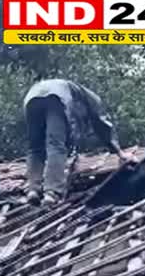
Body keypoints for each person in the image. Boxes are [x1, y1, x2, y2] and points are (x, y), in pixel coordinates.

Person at [23, 78, 128, 206]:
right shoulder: (91, 99)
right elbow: (102, 124)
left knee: (35, 148)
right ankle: (52, 192)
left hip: (32, 96)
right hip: (55, 96)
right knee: (56, 145)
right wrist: (119, 152)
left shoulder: (73, 93)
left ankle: (33, 190)